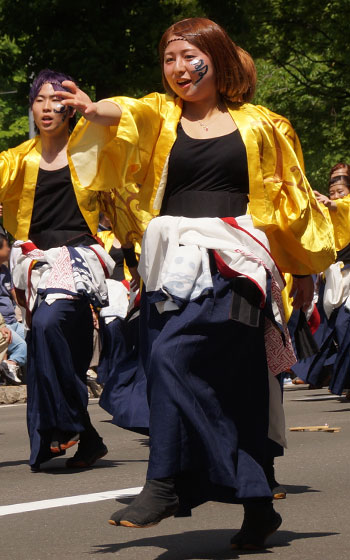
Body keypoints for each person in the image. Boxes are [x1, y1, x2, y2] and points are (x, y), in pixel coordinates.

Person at [56, 18, 335, 550]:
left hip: (240, 264)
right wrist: (96, 110)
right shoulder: (160, 116)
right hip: (172, 266)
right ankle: (257, 505)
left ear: (218, 58)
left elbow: (291, 202)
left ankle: (164, 481)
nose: (179, 69)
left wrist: (303, 272)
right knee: (234, 388)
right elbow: (126, 112)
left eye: (190, 56)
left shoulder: (263, 125)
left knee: (171, 359)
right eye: (169, 59)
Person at [0, 69, 134, 471]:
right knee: (48, 346)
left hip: (78, 256)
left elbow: (134, 136)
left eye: (58, 100)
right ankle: (84, 436)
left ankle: (70, 426)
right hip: (35, 262)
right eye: (40, 99)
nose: (47, 107)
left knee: (45, 328)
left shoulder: (93, 151)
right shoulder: (16, 159)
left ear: (72, 108)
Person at [0, 233, 27, 385]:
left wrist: (26, 310)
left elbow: (13, 293)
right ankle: (10, 365)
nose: (9, 249)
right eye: (6, 246)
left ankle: (12, 368)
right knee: (22, 346)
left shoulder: (4, 270)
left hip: (13, 320)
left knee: (33, 337)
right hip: (3, 323)